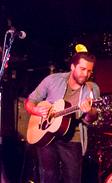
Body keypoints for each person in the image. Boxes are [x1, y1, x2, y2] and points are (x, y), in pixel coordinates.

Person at [25, 52, 100, 183]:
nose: (85, 74)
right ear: (72, 67)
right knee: (49, 177)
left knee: (73, 179)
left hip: (72, 138)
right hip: (46, 135)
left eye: (89, 71)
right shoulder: (52, 80)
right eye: (82, 69)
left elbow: (89, 119)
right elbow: (29, 101)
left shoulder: (92, 89)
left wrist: (90, 112)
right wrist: (36, 110)